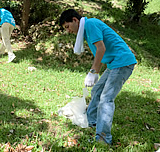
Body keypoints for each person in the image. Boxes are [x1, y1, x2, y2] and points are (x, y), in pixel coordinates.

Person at [59, 9, 137, 145]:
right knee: (97, 91)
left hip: (122, 62)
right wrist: (95, 72)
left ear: (75, 20)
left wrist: (93, 72)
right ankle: (92, 121)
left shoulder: (90, 25)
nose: (68, 31)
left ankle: (103, 139)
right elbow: (100, 53)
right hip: (114, 63)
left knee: (106, 99)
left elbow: (101, 49)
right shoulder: (87, 29)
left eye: (67, 26)